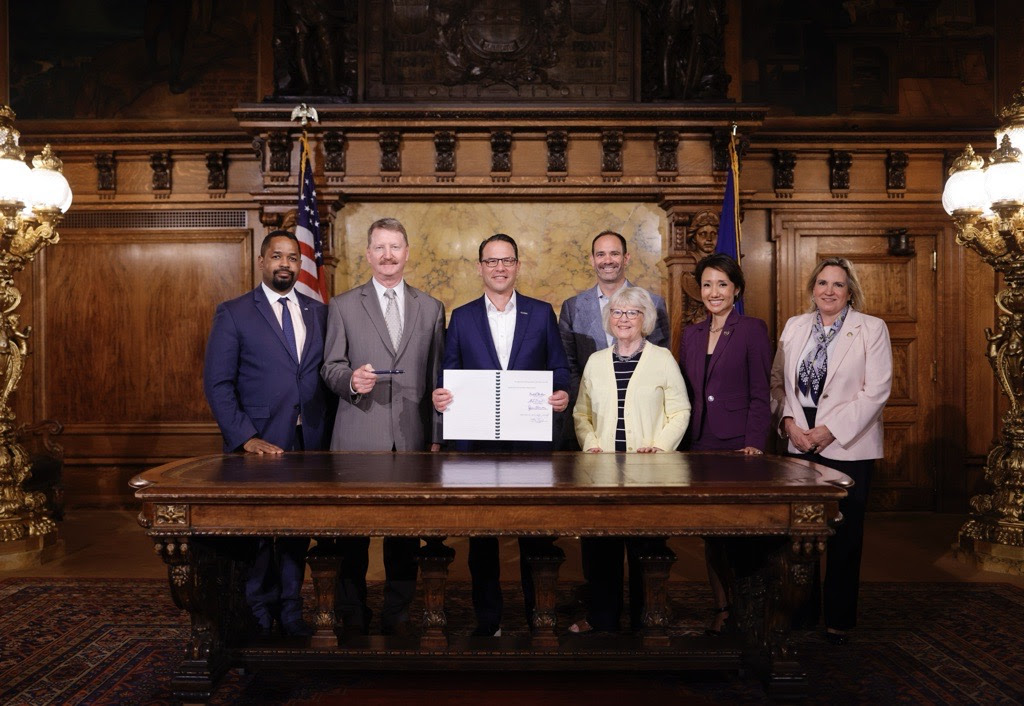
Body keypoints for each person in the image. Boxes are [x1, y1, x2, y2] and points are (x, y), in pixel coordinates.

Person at [432, 233, 570, 637]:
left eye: (506, 260)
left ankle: (538, 615)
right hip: (476, 446)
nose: (499, 268)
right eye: (491, 261)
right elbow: (448, 373)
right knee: (482, 538)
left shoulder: (542, 313)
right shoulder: (461, 316)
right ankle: (487, 619)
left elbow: (559, 368)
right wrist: (442, 396)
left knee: (536, 536)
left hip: (530, 443)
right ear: (479, 268)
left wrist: (561, 391)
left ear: (517, 266)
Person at [203, 230, 333, 638]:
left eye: (292, 258)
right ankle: (258, 613)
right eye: (276, 256)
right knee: (258, 534)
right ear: (261, 261)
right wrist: (244, 438)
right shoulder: (235, 312)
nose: (285, 264)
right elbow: (217, 383)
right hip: (257, 443)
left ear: (301, 264)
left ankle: (291, 610)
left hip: (307, 442)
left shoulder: (319, 311)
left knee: (297, 530)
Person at [320, 217, 446, 638]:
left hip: (411, 438)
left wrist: (435, 437)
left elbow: (436, 378)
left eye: (395, 247)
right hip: (359, 435)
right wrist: (350, 380)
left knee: (405, 536)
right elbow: (330, 366)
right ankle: (352, 612)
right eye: (380, 248)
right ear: (369, 254)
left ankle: (399, 612)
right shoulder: (342, 305)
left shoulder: (431, 307)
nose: (388, 255)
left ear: (407, 253)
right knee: (351, 537)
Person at [770, 256, 892, 645]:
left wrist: (827, 431)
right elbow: (777, 383)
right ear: (812, 288)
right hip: (798, 445)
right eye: (822, 283)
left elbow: (876, 391)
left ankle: (839, 618)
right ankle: (802, 613)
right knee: (799, 535)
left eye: (837, 284)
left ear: (850, 290)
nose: (828, 290)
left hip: (847, 446)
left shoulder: (871, 328)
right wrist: (790, 424)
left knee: (843, 536)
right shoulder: (794, 326)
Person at [571, 287, 690, 632]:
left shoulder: (662, 359)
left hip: (649, 472)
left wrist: (661, 447)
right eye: (618, 313)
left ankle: (645, 618)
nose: (624, 319)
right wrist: (591, 445)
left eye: (632, 313)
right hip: (602, 470)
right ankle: (602, 619)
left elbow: (680, 410)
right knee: (600, 552)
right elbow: (582, 414)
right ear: (609, 319)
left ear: (645, 319)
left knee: (646, 550)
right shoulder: (595, 361)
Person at [679, 253, 771, 634]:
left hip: (738, 446)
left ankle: (748, 609)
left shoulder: (751, 329)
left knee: (740, 533)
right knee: (710, 533)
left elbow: (760, 393)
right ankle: (722, 607)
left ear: (736, 289)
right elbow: (686, 391)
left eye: (721, 284)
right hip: (700, 444)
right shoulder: (691, 334)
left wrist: (754, 443)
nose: (713, 292)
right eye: (707, 284)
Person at [558, 230, 671, 448]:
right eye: (600, 254)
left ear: (626, 258)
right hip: (591, 420)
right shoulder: (572, 307)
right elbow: (569, 365)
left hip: (641, 423)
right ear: (592, 260)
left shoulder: (653, 303)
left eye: (614, 254)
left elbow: (660, 365)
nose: (607, 260)